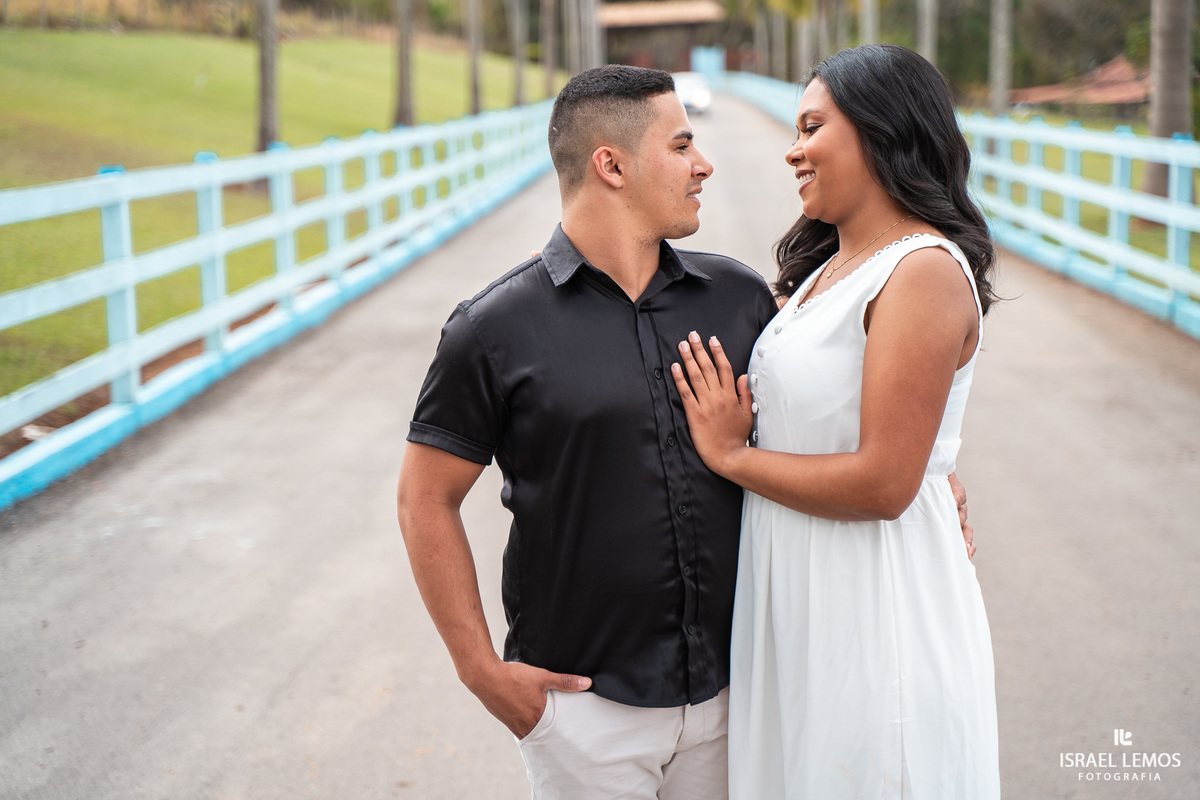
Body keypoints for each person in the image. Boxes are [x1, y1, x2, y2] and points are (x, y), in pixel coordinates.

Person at [397, 64, 972, 799]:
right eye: (681, 146)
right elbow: (424, 500)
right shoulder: (491, 329)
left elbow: (840, 397)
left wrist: (936, 474)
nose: (705, 164)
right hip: (585, 710)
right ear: (611, 165)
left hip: (742, 696)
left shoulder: (738, 299)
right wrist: (480, 670)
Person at [669, 44, 1001, 798]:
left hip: (873, 602)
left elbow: (886, 483)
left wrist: (731, 456)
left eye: (812, 126)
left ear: (882, 129)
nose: (793, 149)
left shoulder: (920, 271)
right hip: (798, 597)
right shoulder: (824, 271)